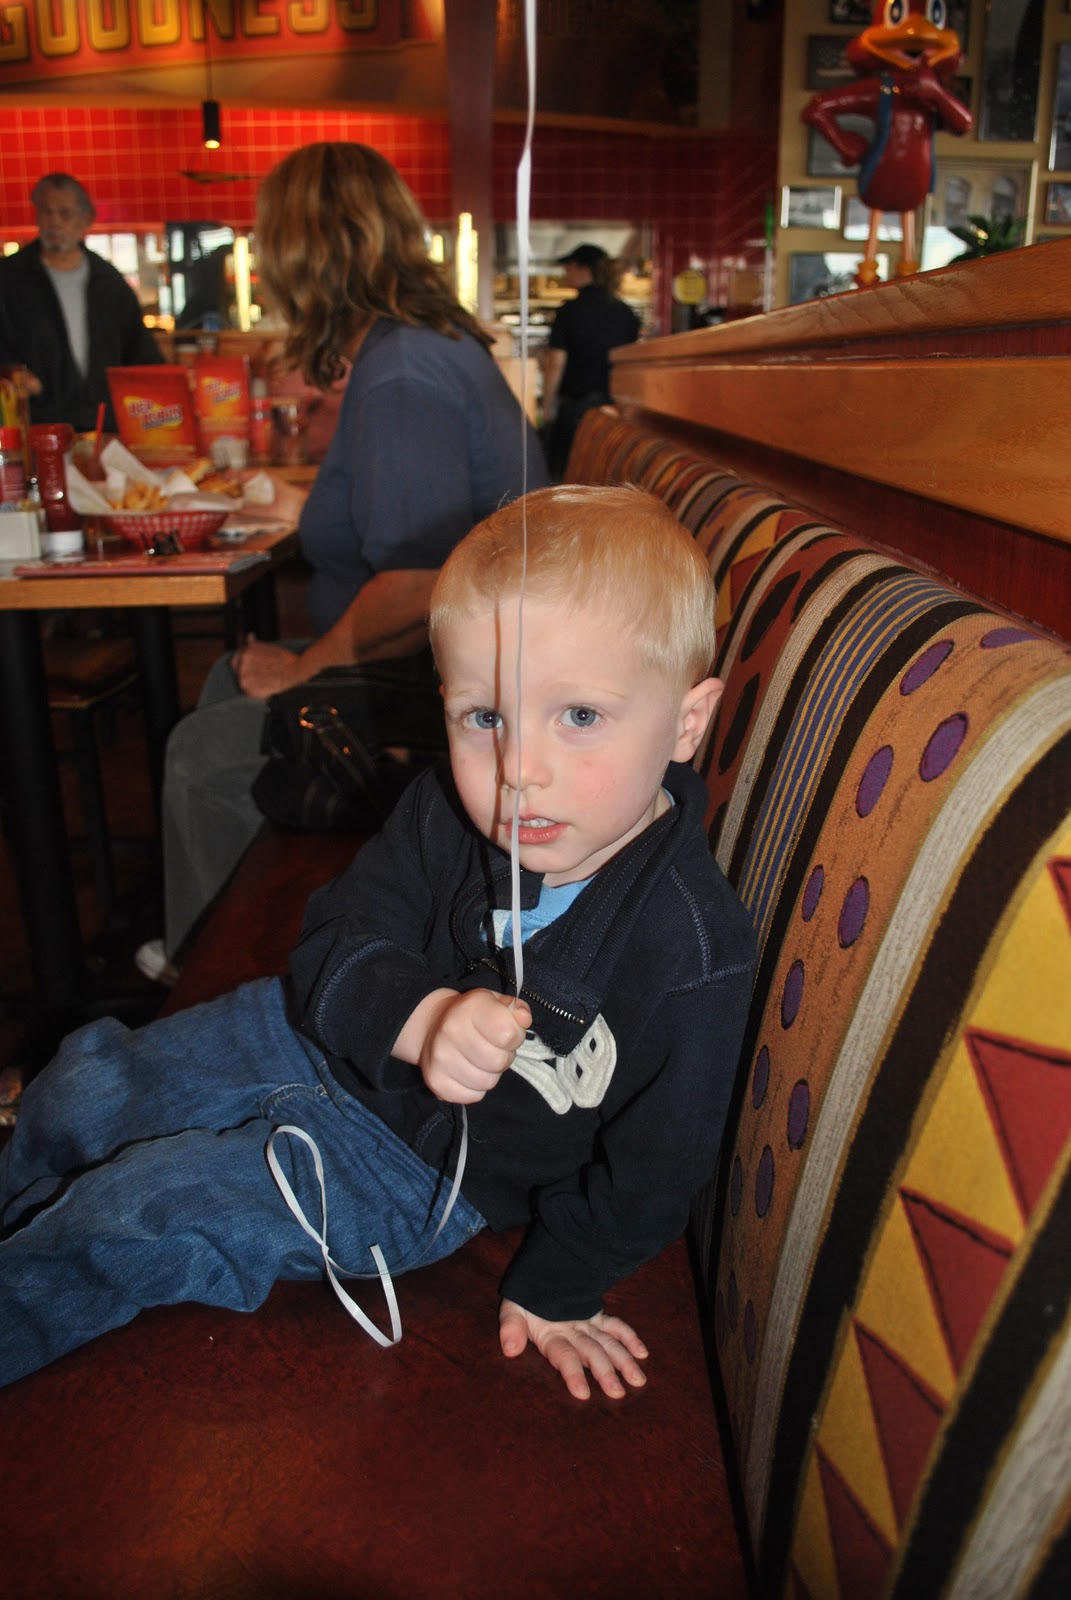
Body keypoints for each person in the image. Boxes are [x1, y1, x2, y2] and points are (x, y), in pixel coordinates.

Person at [0, 483, 757, 1398]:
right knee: (82, 1085)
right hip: (302, 1037)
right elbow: (336, 937)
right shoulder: (443, 809)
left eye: (580, 717)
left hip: (410, 1174)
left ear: (685, 722)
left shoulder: (693, 948)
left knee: (140, 1209)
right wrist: (422, 1018)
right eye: (485, 718)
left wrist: (560, 1285)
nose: (519, 771)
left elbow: (659, 1163)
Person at [136, 142, 548, 985]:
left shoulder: (401, 375)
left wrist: (305, 668)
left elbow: (420, 586)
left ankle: (227, 983)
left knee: (202, 752)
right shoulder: (414, 350)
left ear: (302, 253)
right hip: (455, 667)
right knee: (223, 684)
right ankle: (219, 944)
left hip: (466, 690)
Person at [0, 173, 163, 433]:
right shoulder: (9, 278)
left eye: (64, 214)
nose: (54, 222)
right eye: (46, 212)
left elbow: (142, 355)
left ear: (85, 220)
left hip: (104, 426)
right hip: (39, 428)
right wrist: (13, 375)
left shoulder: (109, 282)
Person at [541, 243, 641, 480]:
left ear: (583, 268)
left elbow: (556, 362)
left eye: (569, 267)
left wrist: (547, 407)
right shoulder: (626, 313)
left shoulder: (569, 311)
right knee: (605, 475)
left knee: (567, 477)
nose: (566, 273)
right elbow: (631, 366)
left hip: (576, 412)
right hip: (615, 412)